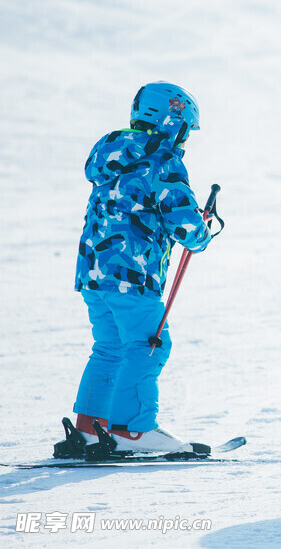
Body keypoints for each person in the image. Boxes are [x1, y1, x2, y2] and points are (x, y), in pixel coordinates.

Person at [66, 82, 212, 454]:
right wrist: (201, 232)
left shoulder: (110, 152)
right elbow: (183, 220)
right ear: (170, 120)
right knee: (149, 345)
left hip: (94, 274)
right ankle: (133, 430)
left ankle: (89, 427)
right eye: (183, 130)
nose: (183, 140)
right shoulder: (163, 159)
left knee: (110, 346)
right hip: (132, 274)